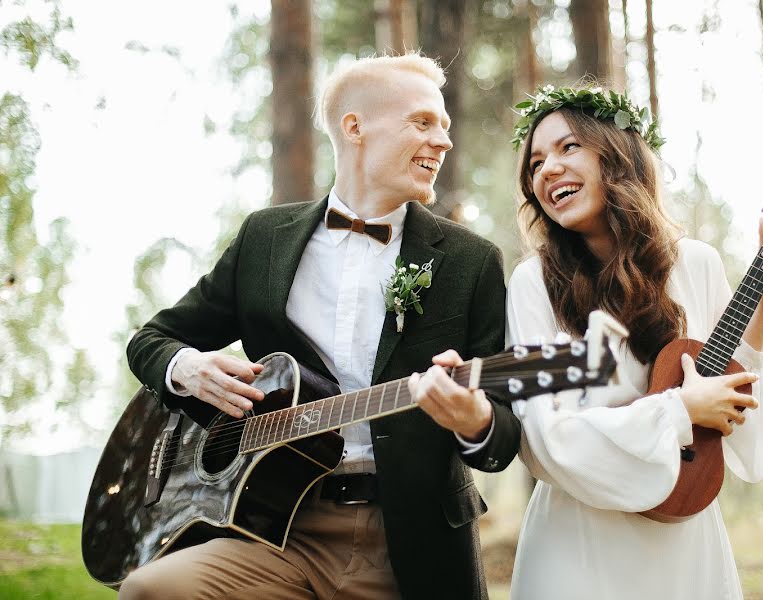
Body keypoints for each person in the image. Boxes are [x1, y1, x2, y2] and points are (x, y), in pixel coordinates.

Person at [119, 52, 521, 600]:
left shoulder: (471, 261)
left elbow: (502, 435)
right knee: (151, 590)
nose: (443, 142)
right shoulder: (265, 239)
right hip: (272, 532)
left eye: (446, 128)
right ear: (354, 127)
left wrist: (474, 420)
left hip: (409, 542)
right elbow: (151, 340)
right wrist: (186, 368)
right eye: (423, 122)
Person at [505, 84, 763, 600]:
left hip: (685, 550)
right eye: (535, 163)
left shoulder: (697, 262)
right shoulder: (533, 282)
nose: (547, 169)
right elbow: (545, 441)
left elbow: (742, 439)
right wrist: (677, 409)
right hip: (578, 548)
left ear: (617, 154)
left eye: (567, 147)